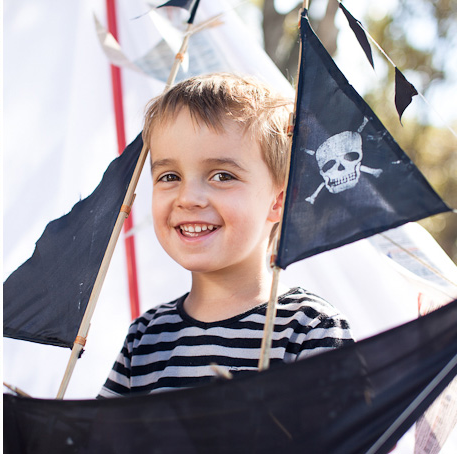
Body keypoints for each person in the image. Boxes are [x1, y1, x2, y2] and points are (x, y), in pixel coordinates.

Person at [99, 73, 354, 398]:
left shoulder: (309, 330)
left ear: (278, 201)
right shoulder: (146, 337)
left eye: (222, 175)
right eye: (169, 176)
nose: (188, 197)